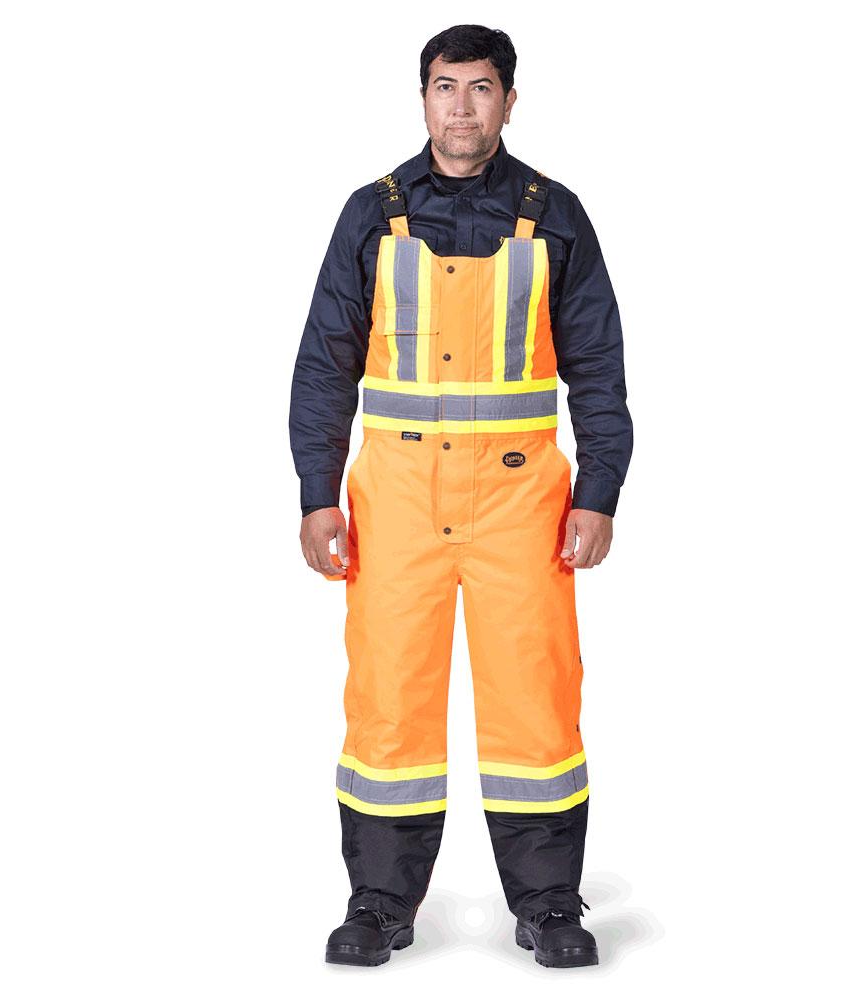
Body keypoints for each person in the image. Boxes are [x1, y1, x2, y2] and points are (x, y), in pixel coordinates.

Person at [289, 24, 633, 969]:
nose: (463, 107)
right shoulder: (372, 214)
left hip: (522, 506)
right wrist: (317, 494)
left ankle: (549, 906)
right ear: (424, 98)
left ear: (509, 100)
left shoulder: (556, 215)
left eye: (481, 88)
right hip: (396, 502)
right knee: (389, 696)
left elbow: (598, 366)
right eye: (446, 87)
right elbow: (324, 363)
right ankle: (379, 904)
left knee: (536, 698)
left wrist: (599, 491)